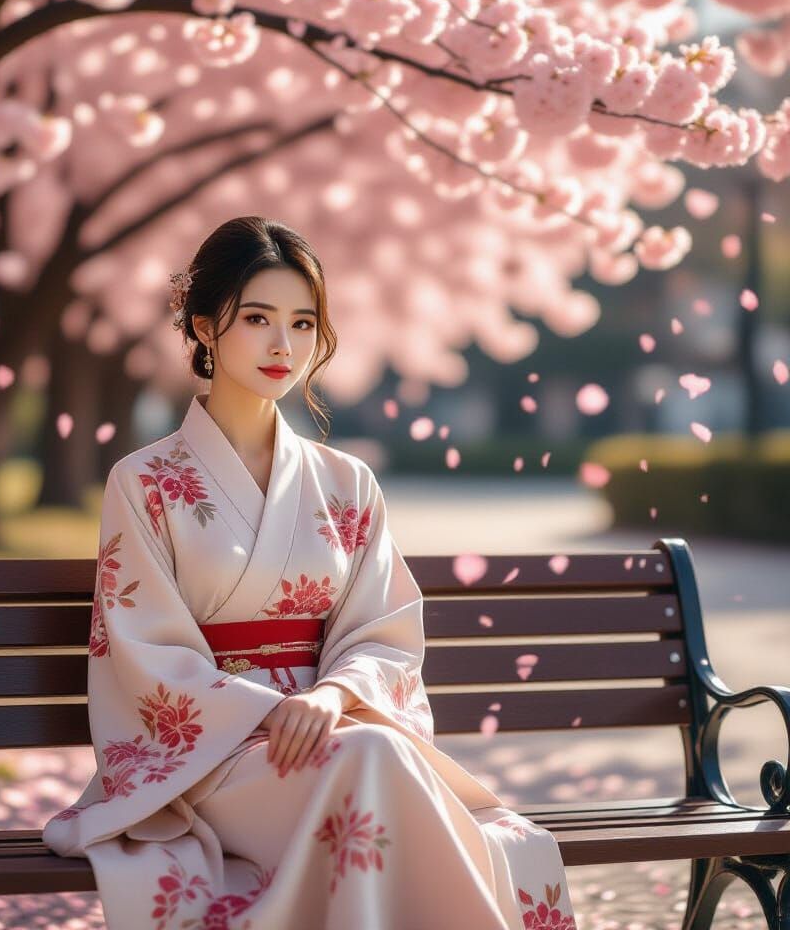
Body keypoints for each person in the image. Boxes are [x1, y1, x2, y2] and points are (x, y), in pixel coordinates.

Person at [42, 216, 578, 929]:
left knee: (373, 754)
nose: (283, 345)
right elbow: (144, 647)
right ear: (203, 327)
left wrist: (328, 699)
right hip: (211, 757)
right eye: (257, 318)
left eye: (302, 323)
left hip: (335, 731)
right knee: (373, 759)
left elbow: (384, 630)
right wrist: (271, 712)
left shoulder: (347, 482)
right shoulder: (142, 482)